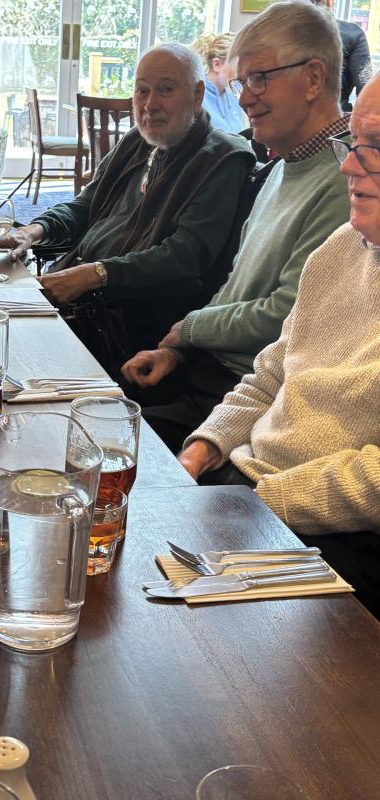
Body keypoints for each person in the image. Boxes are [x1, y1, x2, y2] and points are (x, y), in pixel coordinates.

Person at [176, 72, 380, 617]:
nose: (348, 166)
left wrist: (259, 504)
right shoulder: (343, 246)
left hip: (335, 537)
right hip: (246, 489)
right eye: (354, 144)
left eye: (377, 147)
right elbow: (271, 374)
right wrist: (201, 451)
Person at [122, 0, 351, 453]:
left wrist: (190, 329)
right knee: (78, 413)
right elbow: (237, 287)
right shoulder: (283, 166)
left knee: (94, 451)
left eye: (260, 78)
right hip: (208, 373)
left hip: (253, 400)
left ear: (313, 78)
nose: (244, 98)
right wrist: (177, 351)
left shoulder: (349, 182)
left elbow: (287, 314)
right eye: (243, 82)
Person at [0, 44, 256, 356]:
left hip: (122, 324)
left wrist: (95, 275)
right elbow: (86, 204)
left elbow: (185, 256)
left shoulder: (222, 158)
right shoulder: (138, 140)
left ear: (197, 95)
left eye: (166, 89)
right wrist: (33, 231)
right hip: (74, 293)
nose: (150, 104)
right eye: (142, 91)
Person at [311, 0, 372, 111]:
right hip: (336, 115)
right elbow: (366, 88)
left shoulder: (282, 33)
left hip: (288, 115)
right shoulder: (353, 34)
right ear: (329, 2)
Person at [192, 33, 245, 134]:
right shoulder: (196, 97)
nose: (243, 72)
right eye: (238, 65)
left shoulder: (234, 97)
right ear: (216, 65)